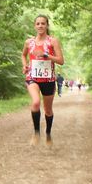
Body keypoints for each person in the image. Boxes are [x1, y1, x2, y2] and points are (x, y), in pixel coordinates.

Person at [21, 15, 65, 146]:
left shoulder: (53, 41)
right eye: (38, 23)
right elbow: (23, 55)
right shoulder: (29, 42)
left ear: (47, 26)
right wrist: (24, 65)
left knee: (48, 110)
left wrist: (46, 55)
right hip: (32, 77)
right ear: (35, 26)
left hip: (48, 79)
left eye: (43, 23)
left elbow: (61, 61)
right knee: (35, 103)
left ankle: (48, 133)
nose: (40, 26)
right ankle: (36, 133)